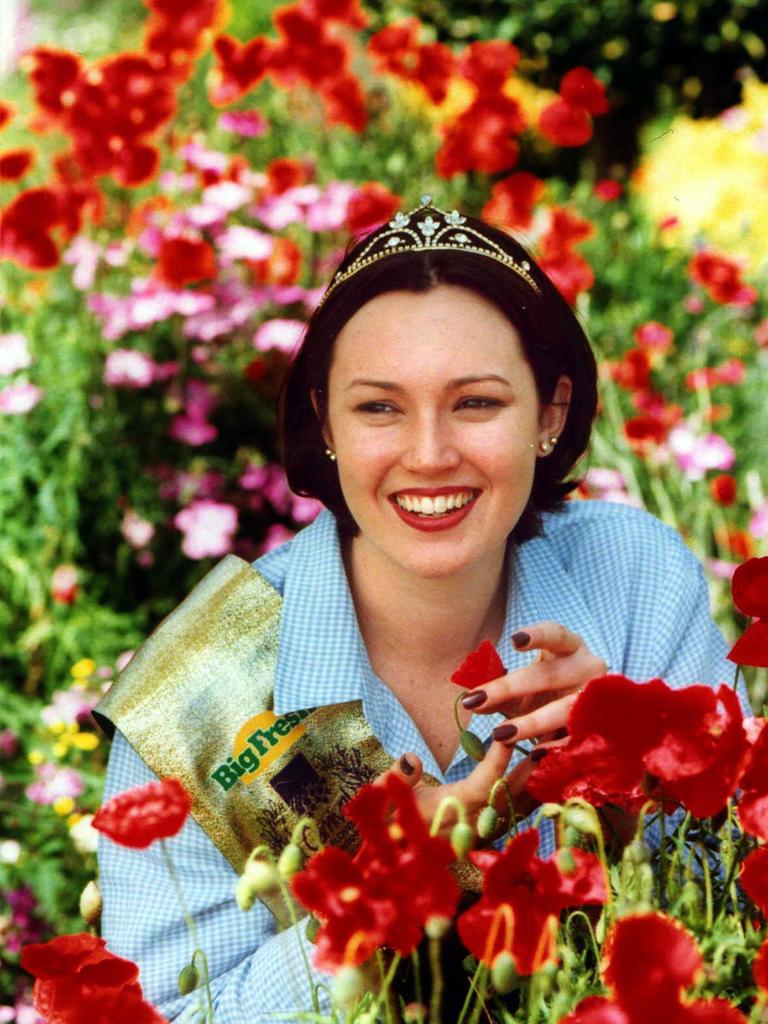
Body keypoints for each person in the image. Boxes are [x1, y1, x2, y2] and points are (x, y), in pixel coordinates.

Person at [96, 197, 744, 1022]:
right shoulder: (195, 696)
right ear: (325, 419)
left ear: (549, 413)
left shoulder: (635, 580)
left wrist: (635, 782)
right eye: (379, 407)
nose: (430, 453)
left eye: (476, 403)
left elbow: (739, 912)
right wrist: (388, 891)